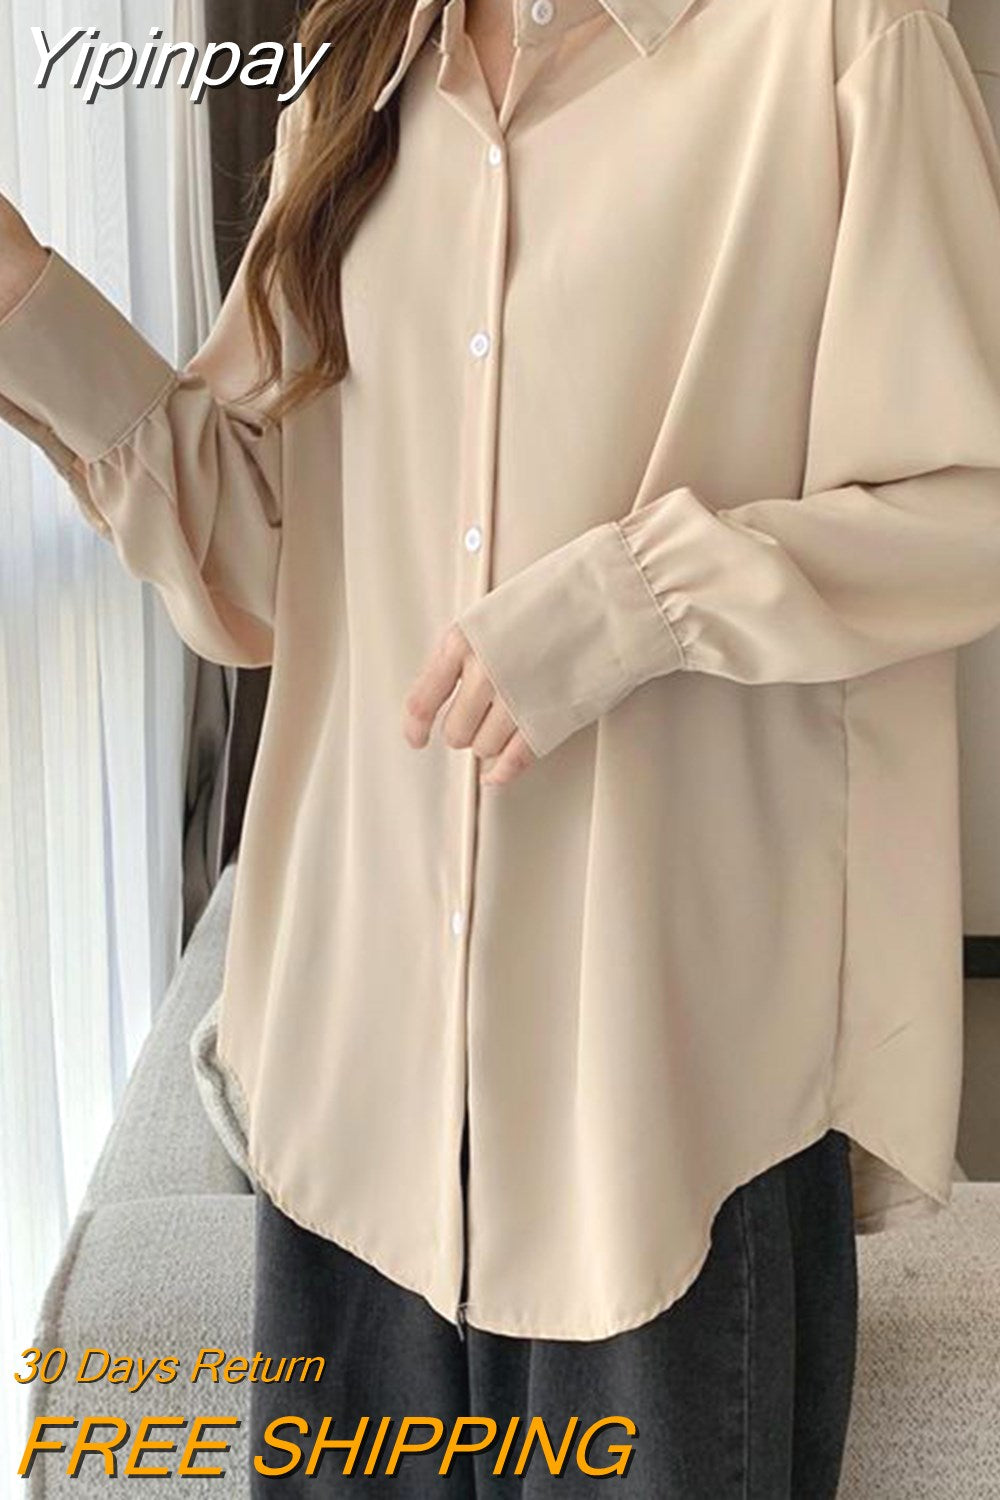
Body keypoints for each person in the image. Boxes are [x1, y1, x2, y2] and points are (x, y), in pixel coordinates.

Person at [3, 0, 1000, 1493]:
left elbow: (967, 503)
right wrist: (22, 291)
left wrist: (632, 599)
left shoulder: (840, 44)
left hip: (662, 1097)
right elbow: (272, 559)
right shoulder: (352, 69)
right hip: (359, 1082)